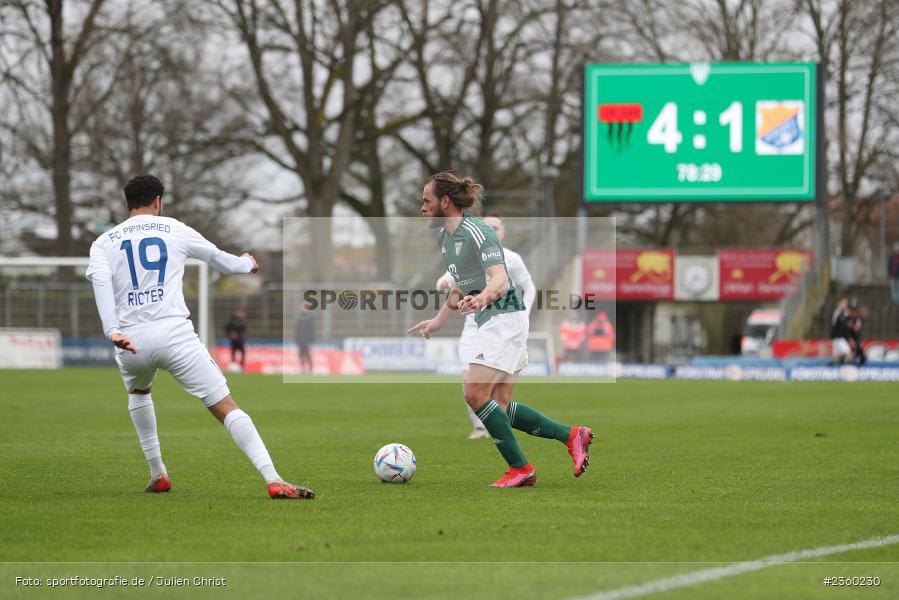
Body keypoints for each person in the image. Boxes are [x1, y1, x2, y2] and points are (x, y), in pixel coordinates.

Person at [86, 175, 313, 500]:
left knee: (139, 392)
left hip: (131, 340)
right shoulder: (174, 229)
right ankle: (273, 477)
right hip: (174, 334)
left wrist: (112, 331)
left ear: (126, 205)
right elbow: (223, 262)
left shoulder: (104, 242)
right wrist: (247, 264)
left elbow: (101, 283)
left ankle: (158, 473)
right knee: (225, 406)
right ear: (158, 201)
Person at [409, 171, 592, 488]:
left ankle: (520, 468)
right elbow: (459, 285)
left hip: (503, 317)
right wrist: (438, 321)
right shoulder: (445, 238)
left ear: (446, 202)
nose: (422, 207)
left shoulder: (478, 233)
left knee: (475, 394)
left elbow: (500, 279)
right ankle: (572, 435)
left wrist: (481, 298)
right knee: (500, 407)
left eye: (427, 200)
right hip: (491, 319)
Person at [436, 213, 536, 440]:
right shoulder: (467, 251)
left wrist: (525, 314)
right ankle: (480, 427)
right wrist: (443, 284)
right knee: (469, 382)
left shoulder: (511, 258)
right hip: (472, 325)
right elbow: (450, 281)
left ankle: (498, 430)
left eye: (496, 227)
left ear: (502, 232)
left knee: (498, 394)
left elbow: (528, 287)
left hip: (502, 324)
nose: (492, 230)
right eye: (487, 226)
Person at [294, 301, 315, 374]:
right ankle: (302, 368)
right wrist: (296, 339)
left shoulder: (310, 317)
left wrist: (311, 339)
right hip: (300, 340)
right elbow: (297, 330)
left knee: (308, 354)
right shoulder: (298, 318)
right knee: (301, 354)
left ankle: (311, 368)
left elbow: (312, 329)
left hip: (307, 340)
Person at [830, 298, 852, 364]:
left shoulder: (845, 313)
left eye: (845, 303)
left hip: (839, 337)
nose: (845, 305)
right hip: (838, 337)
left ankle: (836, 369)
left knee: (837, 357)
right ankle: (847, 369)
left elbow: (848, 321)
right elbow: (836, 323)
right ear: (839, 304)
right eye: (843, 303)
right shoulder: (837, 313)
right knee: (849, 354)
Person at [847, 299, 866, 366]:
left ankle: (861, 361)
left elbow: (857, 328)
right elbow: (849, 328)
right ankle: (854, 362)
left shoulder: (859, 318)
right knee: (855, 349)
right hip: (852, 336)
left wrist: (852, 325)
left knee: (857, 349)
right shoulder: (850, 317)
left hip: (857, 336)